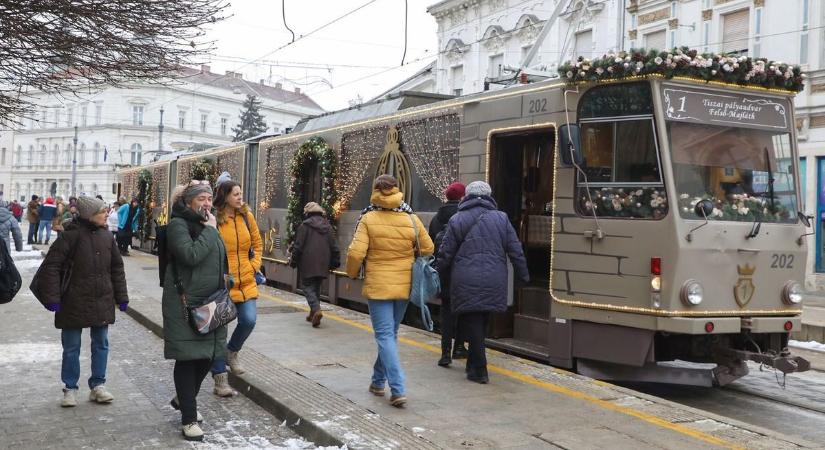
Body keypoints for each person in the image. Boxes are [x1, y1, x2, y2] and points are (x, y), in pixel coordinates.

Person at [31, 196, 128, 407]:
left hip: (101, 299)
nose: (107, 215)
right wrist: (53, 299)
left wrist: (122, 297)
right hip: (72, 301)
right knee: (72, 346)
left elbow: (116, 269)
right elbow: (52, 267)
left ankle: (98, 385)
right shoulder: (70, 236)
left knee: (101, 343)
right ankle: (70, 387)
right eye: (102, 212)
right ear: (90, 215)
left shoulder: (107, 237)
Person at [346, 175, 434, 408]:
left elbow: (355, 254)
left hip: (379, 286)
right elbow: (428, 247)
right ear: (397, 190)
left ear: (375, 191)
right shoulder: (411, 218)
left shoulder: (368, 218)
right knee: (390, 336)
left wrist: (352, 273)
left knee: (385, 336)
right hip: (404, 284)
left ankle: (398, 388)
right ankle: (377, 381)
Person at [437, 181, 529, 384]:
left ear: (466, 197)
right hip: (494, 277)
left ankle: (480, 370)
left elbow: (446, 252)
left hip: (465, 278)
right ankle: (472, 366)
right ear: (489, 196)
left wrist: (438, 272)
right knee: (481, 321)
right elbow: (516, 250)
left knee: (473, 322)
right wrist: (523, 276)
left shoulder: (458, 218)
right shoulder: (502, 218)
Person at [161, 181, 228, 442]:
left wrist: (227, 282)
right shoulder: (179, 225)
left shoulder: (207, 224)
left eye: (209, 199)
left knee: (209, 356)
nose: (207, 204)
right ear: (189, 202)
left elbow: (217, 259)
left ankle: (183, 398)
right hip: (185, 303)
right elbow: (190, 256)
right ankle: (188, 419)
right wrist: (211, 232)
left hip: (211, 302)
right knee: (189, 358)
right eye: (201, 199)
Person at [209, 178, 263, 397]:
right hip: (224, 284)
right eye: (235, 194)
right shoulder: (215, 220)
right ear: (224, 197)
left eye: (241, 193)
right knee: (218, 333)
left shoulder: (247, 217)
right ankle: (220, 379)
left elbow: (257, 245)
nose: (240, 197)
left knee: (249, 320)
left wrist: (254, 265)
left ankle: (232, 352)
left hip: (247, 281)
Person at [428, 182, 468, 367]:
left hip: (443, 271)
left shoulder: (436, 218)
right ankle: (459, 347)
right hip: (462, 271)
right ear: (462, 197)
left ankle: (445, 354)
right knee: (462, 312)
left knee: (446, 313)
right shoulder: (464, 217)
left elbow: (430, 245)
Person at [290, 201, 340, 327]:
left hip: (308, 261)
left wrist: (293, 261)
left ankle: (316, 309)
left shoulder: (304, 226)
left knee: (307, 287)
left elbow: (298, 246)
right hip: (323, 262)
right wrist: (335, 262)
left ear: (308, 213)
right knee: (316, 287)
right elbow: (334, 246)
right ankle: (313, 313)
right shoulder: (327, 226)